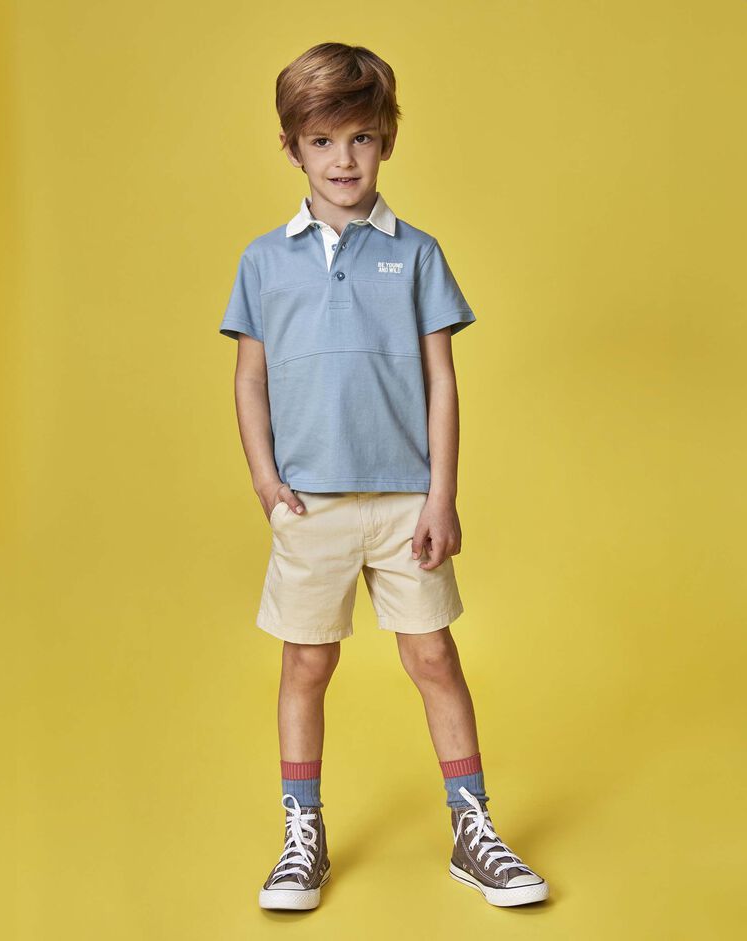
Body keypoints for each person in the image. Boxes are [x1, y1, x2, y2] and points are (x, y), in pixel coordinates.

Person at [218, 42, 549, 912]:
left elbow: (441, 379)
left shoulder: (418, 253)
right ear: (292, 147)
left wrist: (442, 494)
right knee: (307, 662)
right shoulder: (263, 261)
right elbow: (249, 377)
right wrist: (265, 479)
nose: (343, 160)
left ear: (387, 141)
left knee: (433, 654)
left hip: (406, 500)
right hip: (311, 503)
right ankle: (302, 833)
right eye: (322, 142)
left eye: (361, 138)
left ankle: (473, 828)